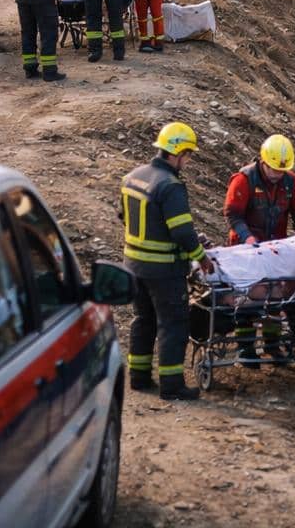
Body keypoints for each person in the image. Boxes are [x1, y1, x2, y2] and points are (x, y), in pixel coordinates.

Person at [122, 122, 213, 400]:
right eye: (187, 155)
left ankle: (138, 377)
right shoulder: (170, 186)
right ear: (176, 152)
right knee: (173, 324)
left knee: (143, 320)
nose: (188, 161)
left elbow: (124, 217)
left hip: (133, 265)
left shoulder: (134, 177)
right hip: (163, 269)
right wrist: (201, 257)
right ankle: (172, 385)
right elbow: (182, 232)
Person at [223, 134, 295, 363]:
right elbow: (233, 213)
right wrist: (248, 238)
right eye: (273, 169)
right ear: (263, 161)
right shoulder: (244, 180)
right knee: (250, 297)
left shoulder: (290, 182)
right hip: (247, 250)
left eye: (281, 170)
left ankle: (272, 345)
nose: (277, 174)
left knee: (275, 296)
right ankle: (246, 348)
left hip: (274, 250)